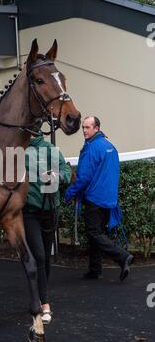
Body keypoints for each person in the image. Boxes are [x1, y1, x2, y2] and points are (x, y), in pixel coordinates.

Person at [64, 116, 134, 280]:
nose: (84, 131)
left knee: (94, 232)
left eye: (87, 127)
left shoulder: (92, 147)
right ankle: (95, 270)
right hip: (109, 199)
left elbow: (83, 177)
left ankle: (123, 256)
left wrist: (69, 193)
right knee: (97, 233)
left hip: (95, 198)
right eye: (83, 128)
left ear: (96, 128)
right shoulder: (110, 146)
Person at [24, 133, 72, 324]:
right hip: (29, 211)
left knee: (44, 256)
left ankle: (38, 294)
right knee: (40, 256)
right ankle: (45, 303)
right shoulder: (19, 151)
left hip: (51, 209)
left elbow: (66, 172)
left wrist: (57, 176)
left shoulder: (52, 150)